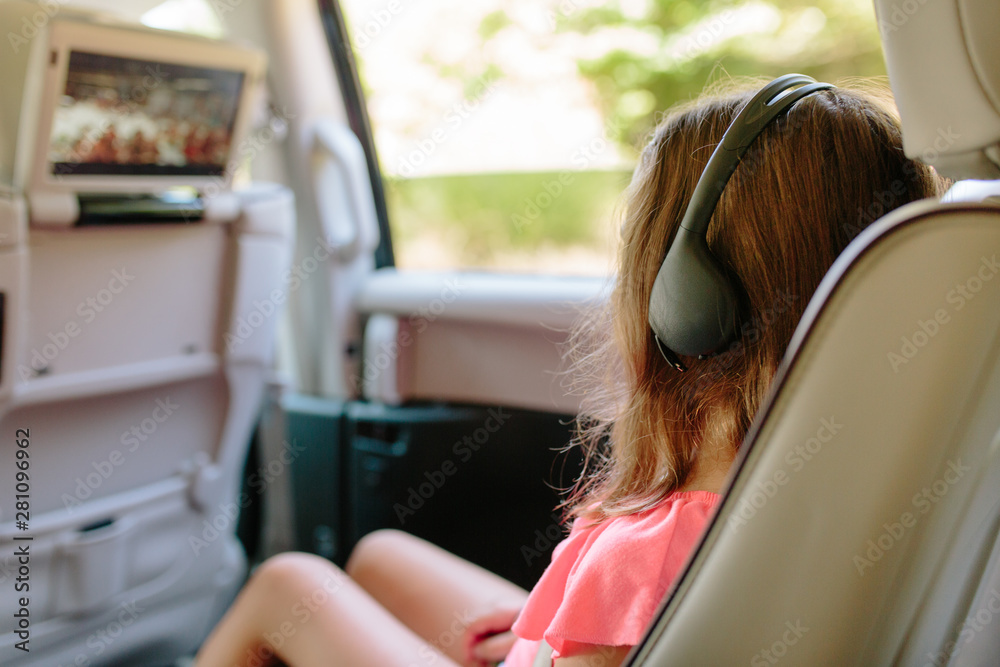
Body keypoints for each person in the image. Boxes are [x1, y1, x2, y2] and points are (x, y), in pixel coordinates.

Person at [193, 79, 946, 667]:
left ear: (691, 300)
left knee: (288, 584)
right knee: (379, 557)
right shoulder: (878, 470)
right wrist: (544, 635)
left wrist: (555, 647)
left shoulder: (653, 552)